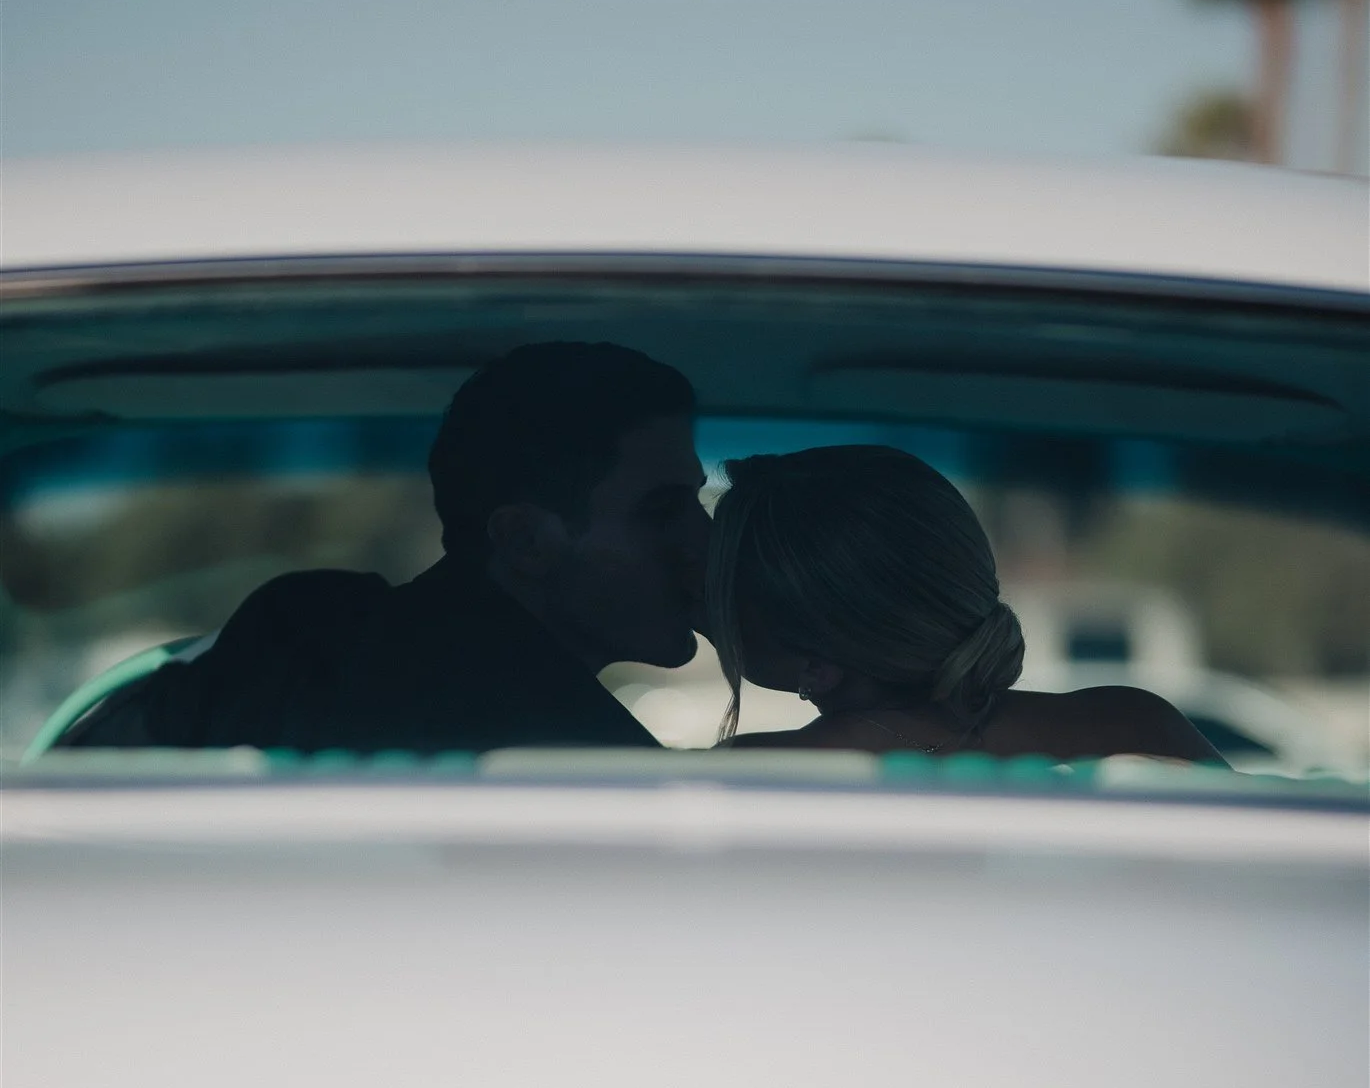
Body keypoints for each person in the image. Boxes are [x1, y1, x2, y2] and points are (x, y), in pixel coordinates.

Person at [59, 343, 711, 753]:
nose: (701, 538)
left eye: (696, 504)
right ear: (525, 542)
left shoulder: (296, 630)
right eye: (662, 511)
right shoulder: (580, 757)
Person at [708, 446, 1224, 764]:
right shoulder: (1137, 723)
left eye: (728, 587)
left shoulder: (756, 773)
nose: (713, 603)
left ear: (816, 667)